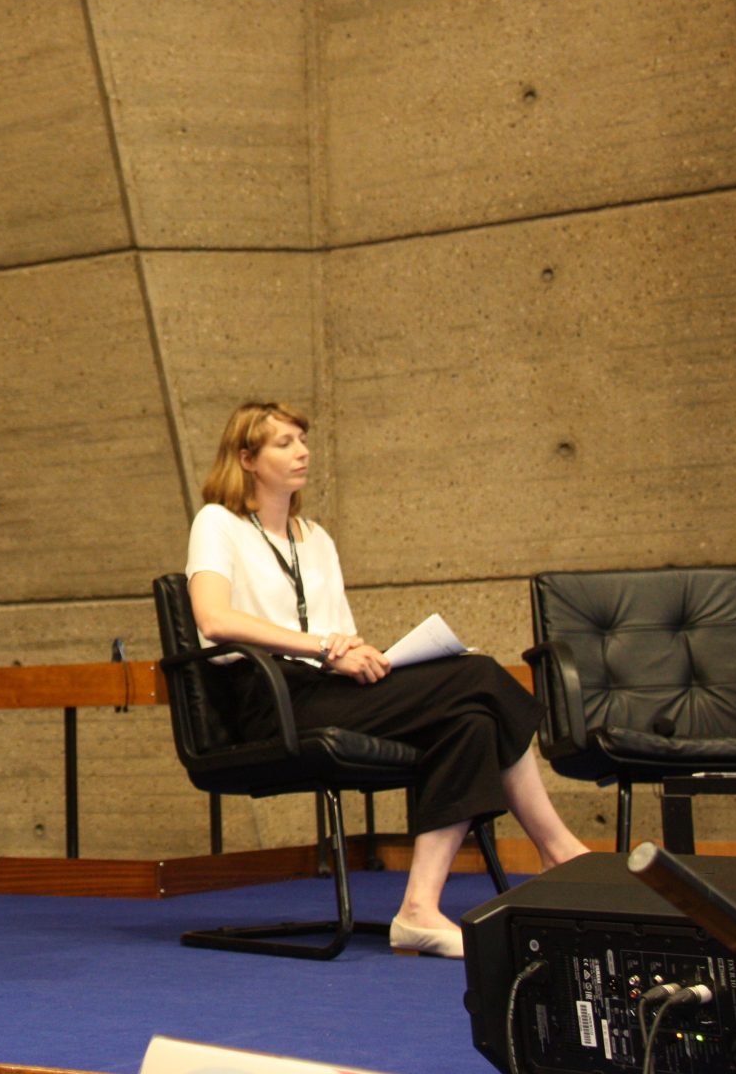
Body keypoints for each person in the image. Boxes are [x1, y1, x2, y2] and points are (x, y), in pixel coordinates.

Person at [185, 400, 587, 959]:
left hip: (327, 688)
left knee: (471, 722)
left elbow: (341, 636)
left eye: (303, 440)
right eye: (284, 443)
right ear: (247, 458)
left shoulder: (316, 538)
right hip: (269, 696)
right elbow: (213, 620)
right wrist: (323, 648)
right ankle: (557, 847)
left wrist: (363, 654)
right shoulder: (218, 523)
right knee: (478, 675)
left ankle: (418, 909)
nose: (302, 452)